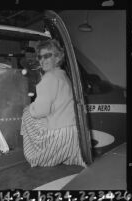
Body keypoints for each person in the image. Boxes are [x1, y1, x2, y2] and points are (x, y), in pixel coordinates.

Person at [20, 39, 86, 168]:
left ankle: (36, 153)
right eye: (40, 57)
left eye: (47, 56)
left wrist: (29, 107)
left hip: (59, 137)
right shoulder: (63, 76)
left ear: (57, 58)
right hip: (74, 135)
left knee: (27, 113)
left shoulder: (49, 78)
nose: (42, 60)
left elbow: (40, 111)